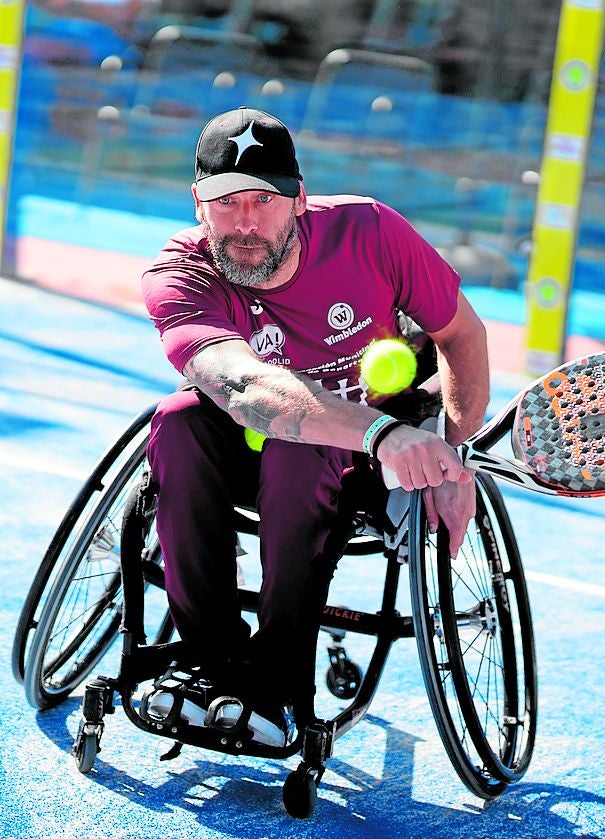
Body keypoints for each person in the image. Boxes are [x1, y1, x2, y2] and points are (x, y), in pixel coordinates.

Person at [140, 106, 490, 746]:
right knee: (177, 420)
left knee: (302, 450)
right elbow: (243, 387)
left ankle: (276, 682)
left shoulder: (372, 232)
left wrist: (449, 454)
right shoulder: (178, 273)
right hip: (257, 447)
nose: (246, 223)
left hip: (363, 463)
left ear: (298, 198)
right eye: (225, 203)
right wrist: (383, 433)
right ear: (197, 204)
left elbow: (461, 336)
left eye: (263, 201)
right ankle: (213, 663)